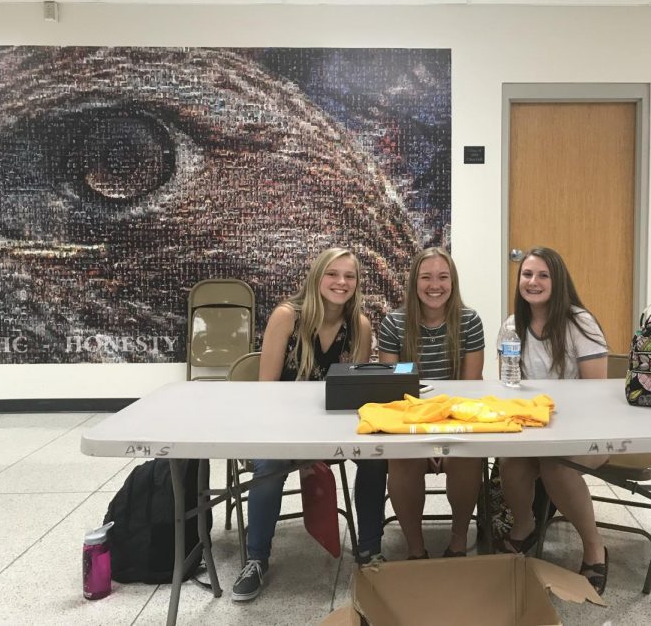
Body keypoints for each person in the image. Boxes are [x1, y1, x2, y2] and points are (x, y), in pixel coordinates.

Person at [232, 247, 387, 601]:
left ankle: (370, 550)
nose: (341, 282)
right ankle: (256, 559)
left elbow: (354, 390)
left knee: (376, 456)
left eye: (349, 276)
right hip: (283, 427)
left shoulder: (359, 326)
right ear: (317, 277)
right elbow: (266, 391)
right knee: (269, 465)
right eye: (333, 274)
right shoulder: (287, 317)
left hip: (333, 427)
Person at [497, 246, 610, 594]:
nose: (533, 282)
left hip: (586, 429)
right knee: (509, 459)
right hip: (534, 428)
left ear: (557, 280)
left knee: (555, 466)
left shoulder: (579, 322)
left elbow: (597, 392)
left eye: (543, 275)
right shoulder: (512, 326)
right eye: (527, 275)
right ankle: (524, 526)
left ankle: (594, 548)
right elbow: (507, 385)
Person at [378, 247, 485, 559]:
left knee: (467, 457)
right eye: (426, 277)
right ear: (414, 282)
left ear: (452, 283)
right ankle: (415, 548)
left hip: (454, 421)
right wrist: (426, 442)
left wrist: (443, 442)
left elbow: (468, 389)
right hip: (411, 423)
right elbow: (394, 395)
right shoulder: (394, 323)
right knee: (402, 460)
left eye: (442, 277)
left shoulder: (469, 321)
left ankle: (458, 540)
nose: (434, 285)